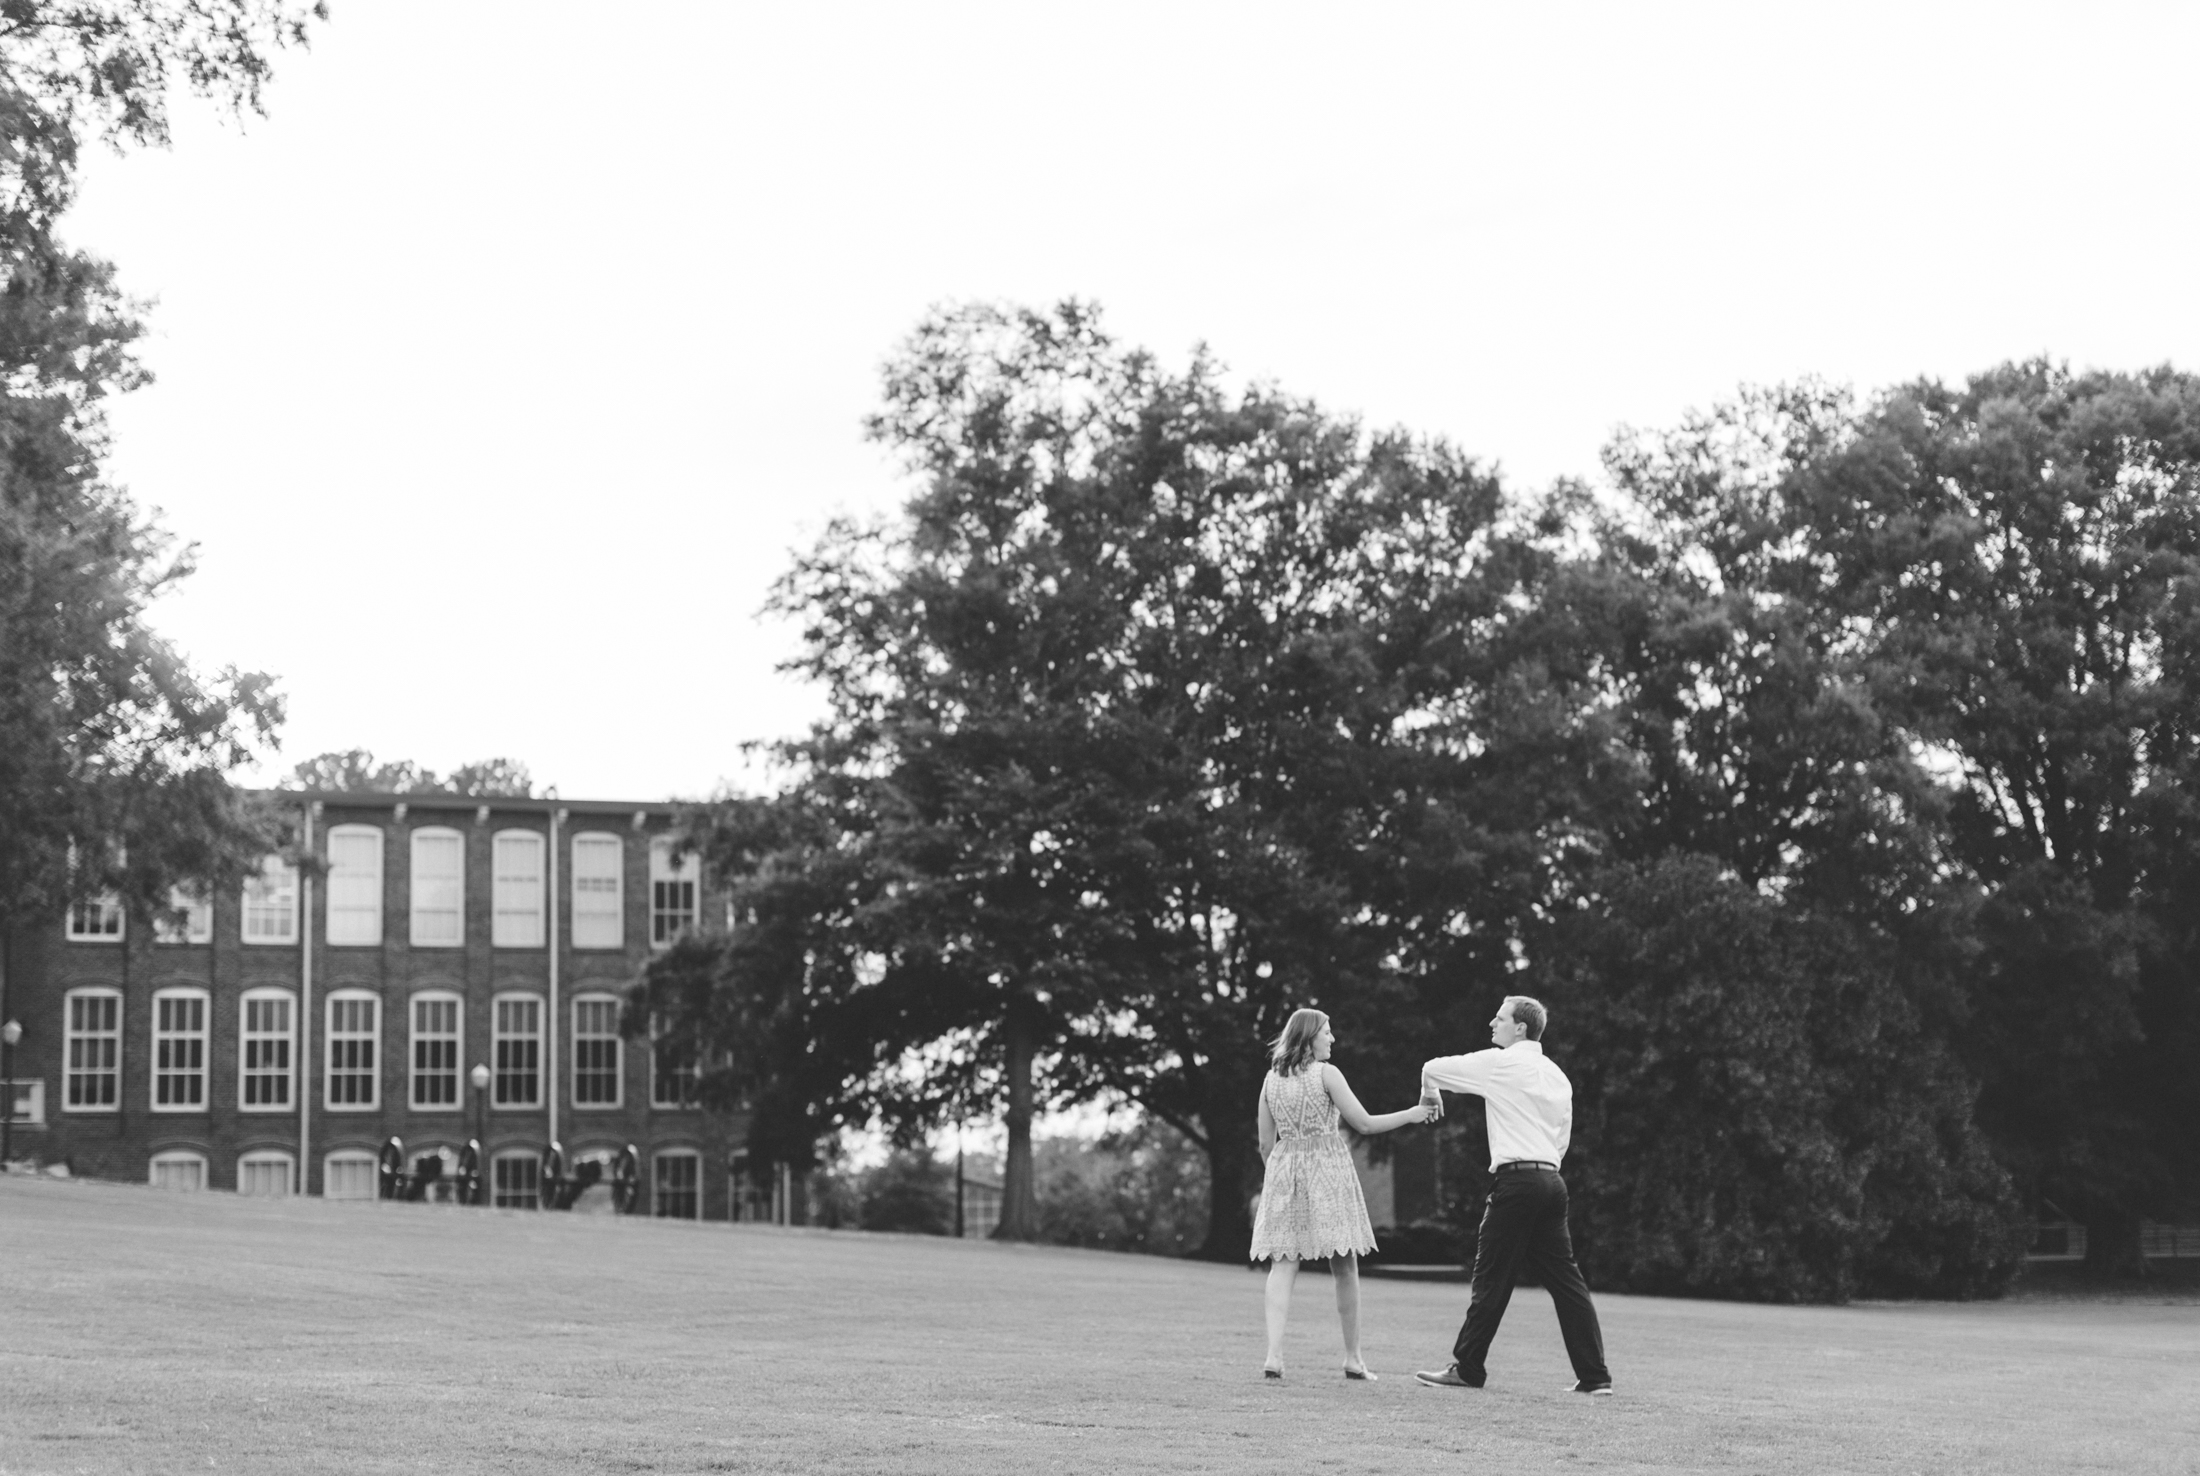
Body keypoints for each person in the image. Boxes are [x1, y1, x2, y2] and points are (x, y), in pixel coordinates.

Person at [1414, 995, 1613, 1396]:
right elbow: (1561, 1139)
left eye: (1500, 1018)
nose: (1492, 1023)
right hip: (1552, 1183)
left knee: (1491, 1277)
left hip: (1517, 1183)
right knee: (1566, 1282)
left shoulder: (1499, 1063)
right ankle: (1595, 1378)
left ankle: (1468, 1368)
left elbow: (1432, 1067)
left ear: (1520, 1028)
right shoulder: (1558, 1075)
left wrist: (1429, 1093)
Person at [1250, 1007, 1436, 1381]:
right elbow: (1364, 1123)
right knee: (1344, 1264)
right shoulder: (1327, 1074)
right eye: (1327, 1032)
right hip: (1327, 1168)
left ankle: (1274, 1355)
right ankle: (1353, 1359)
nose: (1332, 1039)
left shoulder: (1271, 1081)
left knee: (1283, 1263)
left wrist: (1281, 1178)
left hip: (1284, 1171)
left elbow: (1265, 1144)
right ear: (1309, 1037)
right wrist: (1413, 1114)